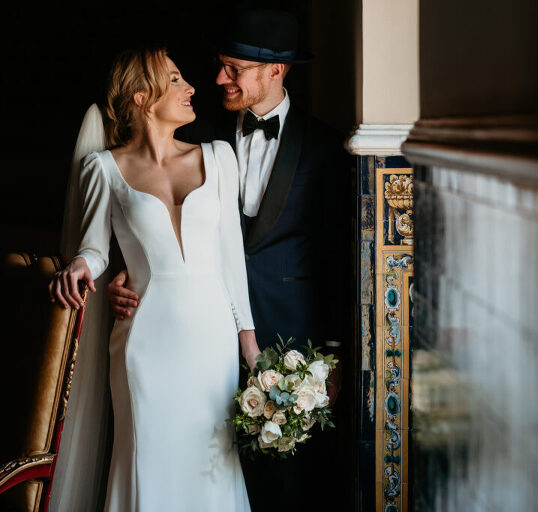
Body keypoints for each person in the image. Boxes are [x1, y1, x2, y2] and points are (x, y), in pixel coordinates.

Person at [106, 7, 353, 511]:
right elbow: (148, 212)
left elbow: (335, 258)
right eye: (220, 65)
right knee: (197, 474)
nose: (218, 78)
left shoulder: (325, 148)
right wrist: (125, 271)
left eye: (233, 69)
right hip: (193, 344)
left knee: (285, 489)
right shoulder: (193, 129)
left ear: (275, 71)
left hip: (289, 348)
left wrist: (334, 353)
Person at [48, 46, 260, 511]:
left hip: (212, 342)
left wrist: (250, 347)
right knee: (148, 459)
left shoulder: (218, 156)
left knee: (213, 465)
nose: (191, 89)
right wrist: (82, 265)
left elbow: (231, 258)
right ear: (142, 99)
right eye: (177, 80)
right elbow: (94, 249)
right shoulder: (103, 168)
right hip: (145, 341)